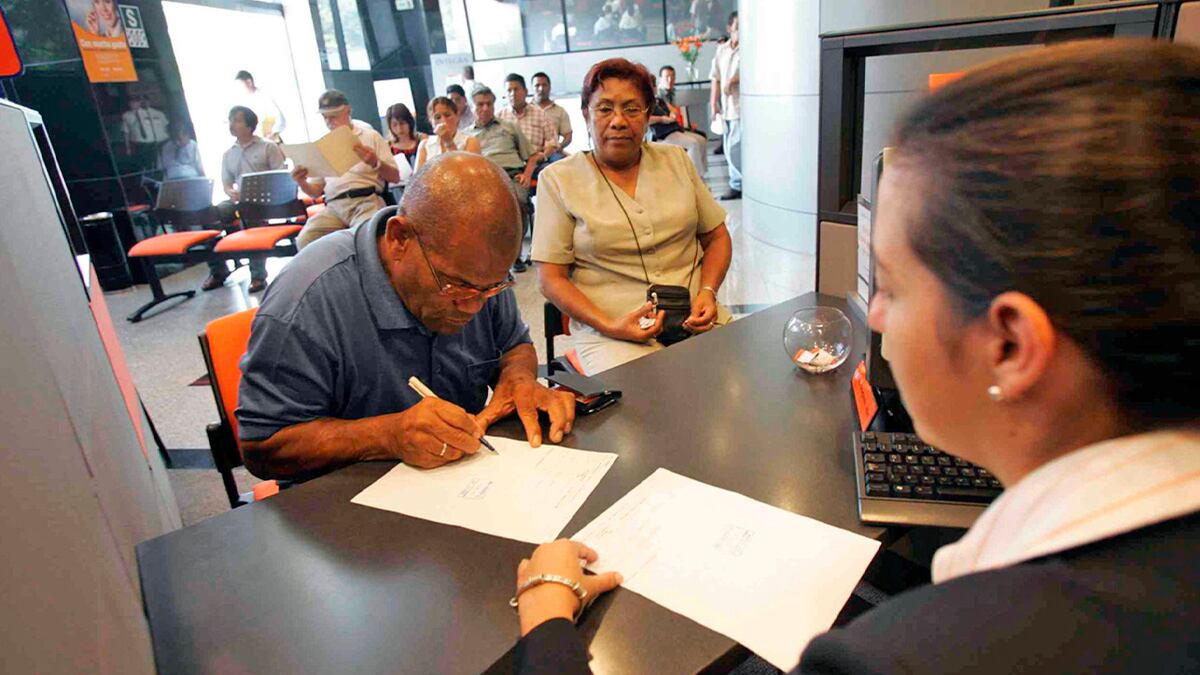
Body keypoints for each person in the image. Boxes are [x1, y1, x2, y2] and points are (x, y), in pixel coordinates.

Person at [511, 40, 1200, 673]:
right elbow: (553, 276)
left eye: (891, 285)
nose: (871, 314)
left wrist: (546, 624)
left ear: (1011, 344)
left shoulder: (897, 657)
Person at [237, 152, 577, 479]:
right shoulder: (307, 299)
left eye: (491, 289)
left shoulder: (478, 276)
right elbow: (262, 445)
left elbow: (514, 345)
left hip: (457, 480)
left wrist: (518, 381)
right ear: (399, 239)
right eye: (455, 287)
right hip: (341, 502)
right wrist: (386, 435)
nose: (474, 307)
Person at [532, 58, 733, 374]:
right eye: (605, 109)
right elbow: (550, 278)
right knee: (648, 410)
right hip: (613, 335)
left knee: (735, 388)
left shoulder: (676, 160)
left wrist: (708, 292)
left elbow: (717, 236)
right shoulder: (558, 180)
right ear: (586, 114)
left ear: (648, 114)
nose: (618, 121)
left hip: (696, 319)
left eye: (631, 108)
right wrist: (610, 325)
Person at [291, 90, 400, 249]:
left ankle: (365, 272)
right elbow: (315, 191)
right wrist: (301, 182)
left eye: (333, 116)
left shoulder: (370, 136)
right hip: (334, 206)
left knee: (367, 239)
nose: (329, 121)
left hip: (365, 200)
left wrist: (375, 162)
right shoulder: (322, 144)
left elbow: (395, 177)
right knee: (306, 240)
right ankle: (333, 274)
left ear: (347, 111)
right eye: (325, 117)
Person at [212, 105, 286, 293]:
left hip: (264, 199)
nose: (232, 125)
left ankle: (258, 276)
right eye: (231, 120)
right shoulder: (228, 154)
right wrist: (231, 192)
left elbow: (281, 175)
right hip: (240, 200)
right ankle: (218, 270)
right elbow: (227, 184)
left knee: (252, 217)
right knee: (212, 215)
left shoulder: (268, 147)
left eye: (237, 120)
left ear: (250, 125)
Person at [468, 86, 539, 272]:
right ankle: (489, 256)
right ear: (471, 106)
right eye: (480, 104)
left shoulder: (509, 127)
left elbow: (532, 156)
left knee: (518, 201)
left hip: (512, 175)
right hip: (483, 180)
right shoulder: (466, 136)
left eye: (489, 104)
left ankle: (515, 255)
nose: (485, 108)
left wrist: (527, 174)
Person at [650, 65, 708, 176]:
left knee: (701, 139)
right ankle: (695, 178)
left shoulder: (659, 99)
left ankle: (701, 174)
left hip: (673, 128)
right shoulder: (646, 102)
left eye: (672, 77)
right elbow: (645, 119)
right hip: (662, 134)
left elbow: (673, 110)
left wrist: (672, 114)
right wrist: (662, 119)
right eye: (667, 77)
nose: (670, 80)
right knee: (693, 143)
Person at [709, 11, 741, 200]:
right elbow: (716, 77)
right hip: (727, 106)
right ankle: (736, 182)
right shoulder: (722, 50)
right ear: (730, 28)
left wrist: (734, 79)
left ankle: (738, 184)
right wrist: (714, 103)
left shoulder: (749, 48)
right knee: (730, 147)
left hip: (741, 107)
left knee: (736, 147)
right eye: (737, 28)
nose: (739, 32)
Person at [498, 74, 557, 168]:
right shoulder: (499, 117)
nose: (513, 94)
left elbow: (552, 143)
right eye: (509, 90)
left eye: (516, 89)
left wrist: (542, 156)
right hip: (508, 165)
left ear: (525, 91)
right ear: (505, 95)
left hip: (536, 163)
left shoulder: (540, 114)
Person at [415, 96, 480, 171]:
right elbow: (417, 178)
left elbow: (469, 174)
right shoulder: (424, 145)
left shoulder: (470, 142)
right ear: (431, 121)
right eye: (437, 117)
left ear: (457, 116)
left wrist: (449, 142)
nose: (443, 121)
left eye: (447, 115)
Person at [235, 70, 286, 142]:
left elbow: (280, 119)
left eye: (241, 85)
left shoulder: (264, 97)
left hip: (270, 142)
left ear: (249, 82)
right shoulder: (244, 102)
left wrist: (272, 134)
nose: (240, 89)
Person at [531, 72, 573, 160]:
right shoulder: (525, 111)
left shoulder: (560, 111)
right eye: (537, 85)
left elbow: (568, 135)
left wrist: (560, 147)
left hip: (553, 154)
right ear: (531, 88)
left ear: (549, 87)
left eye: (544, 85)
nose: (541, 88)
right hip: (530, 154)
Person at [122, 95, 169, 171]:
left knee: (161, 161)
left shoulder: (149, 112)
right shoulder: (126, 115)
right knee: (146, 164)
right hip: (140, 143)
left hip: (156, 141)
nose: (134, 104)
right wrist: (128, 148)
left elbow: (165, 127)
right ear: (129, 103)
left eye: (136, 101)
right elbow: (126, 132)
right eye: (132, 102)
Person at [385, 103, 427, 170]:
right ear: (390, 126)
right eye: (394, 125)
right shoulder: (387, 147)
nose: (399, 129)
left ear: (409, 122)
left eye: (402, 123)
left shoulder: (422, 139)